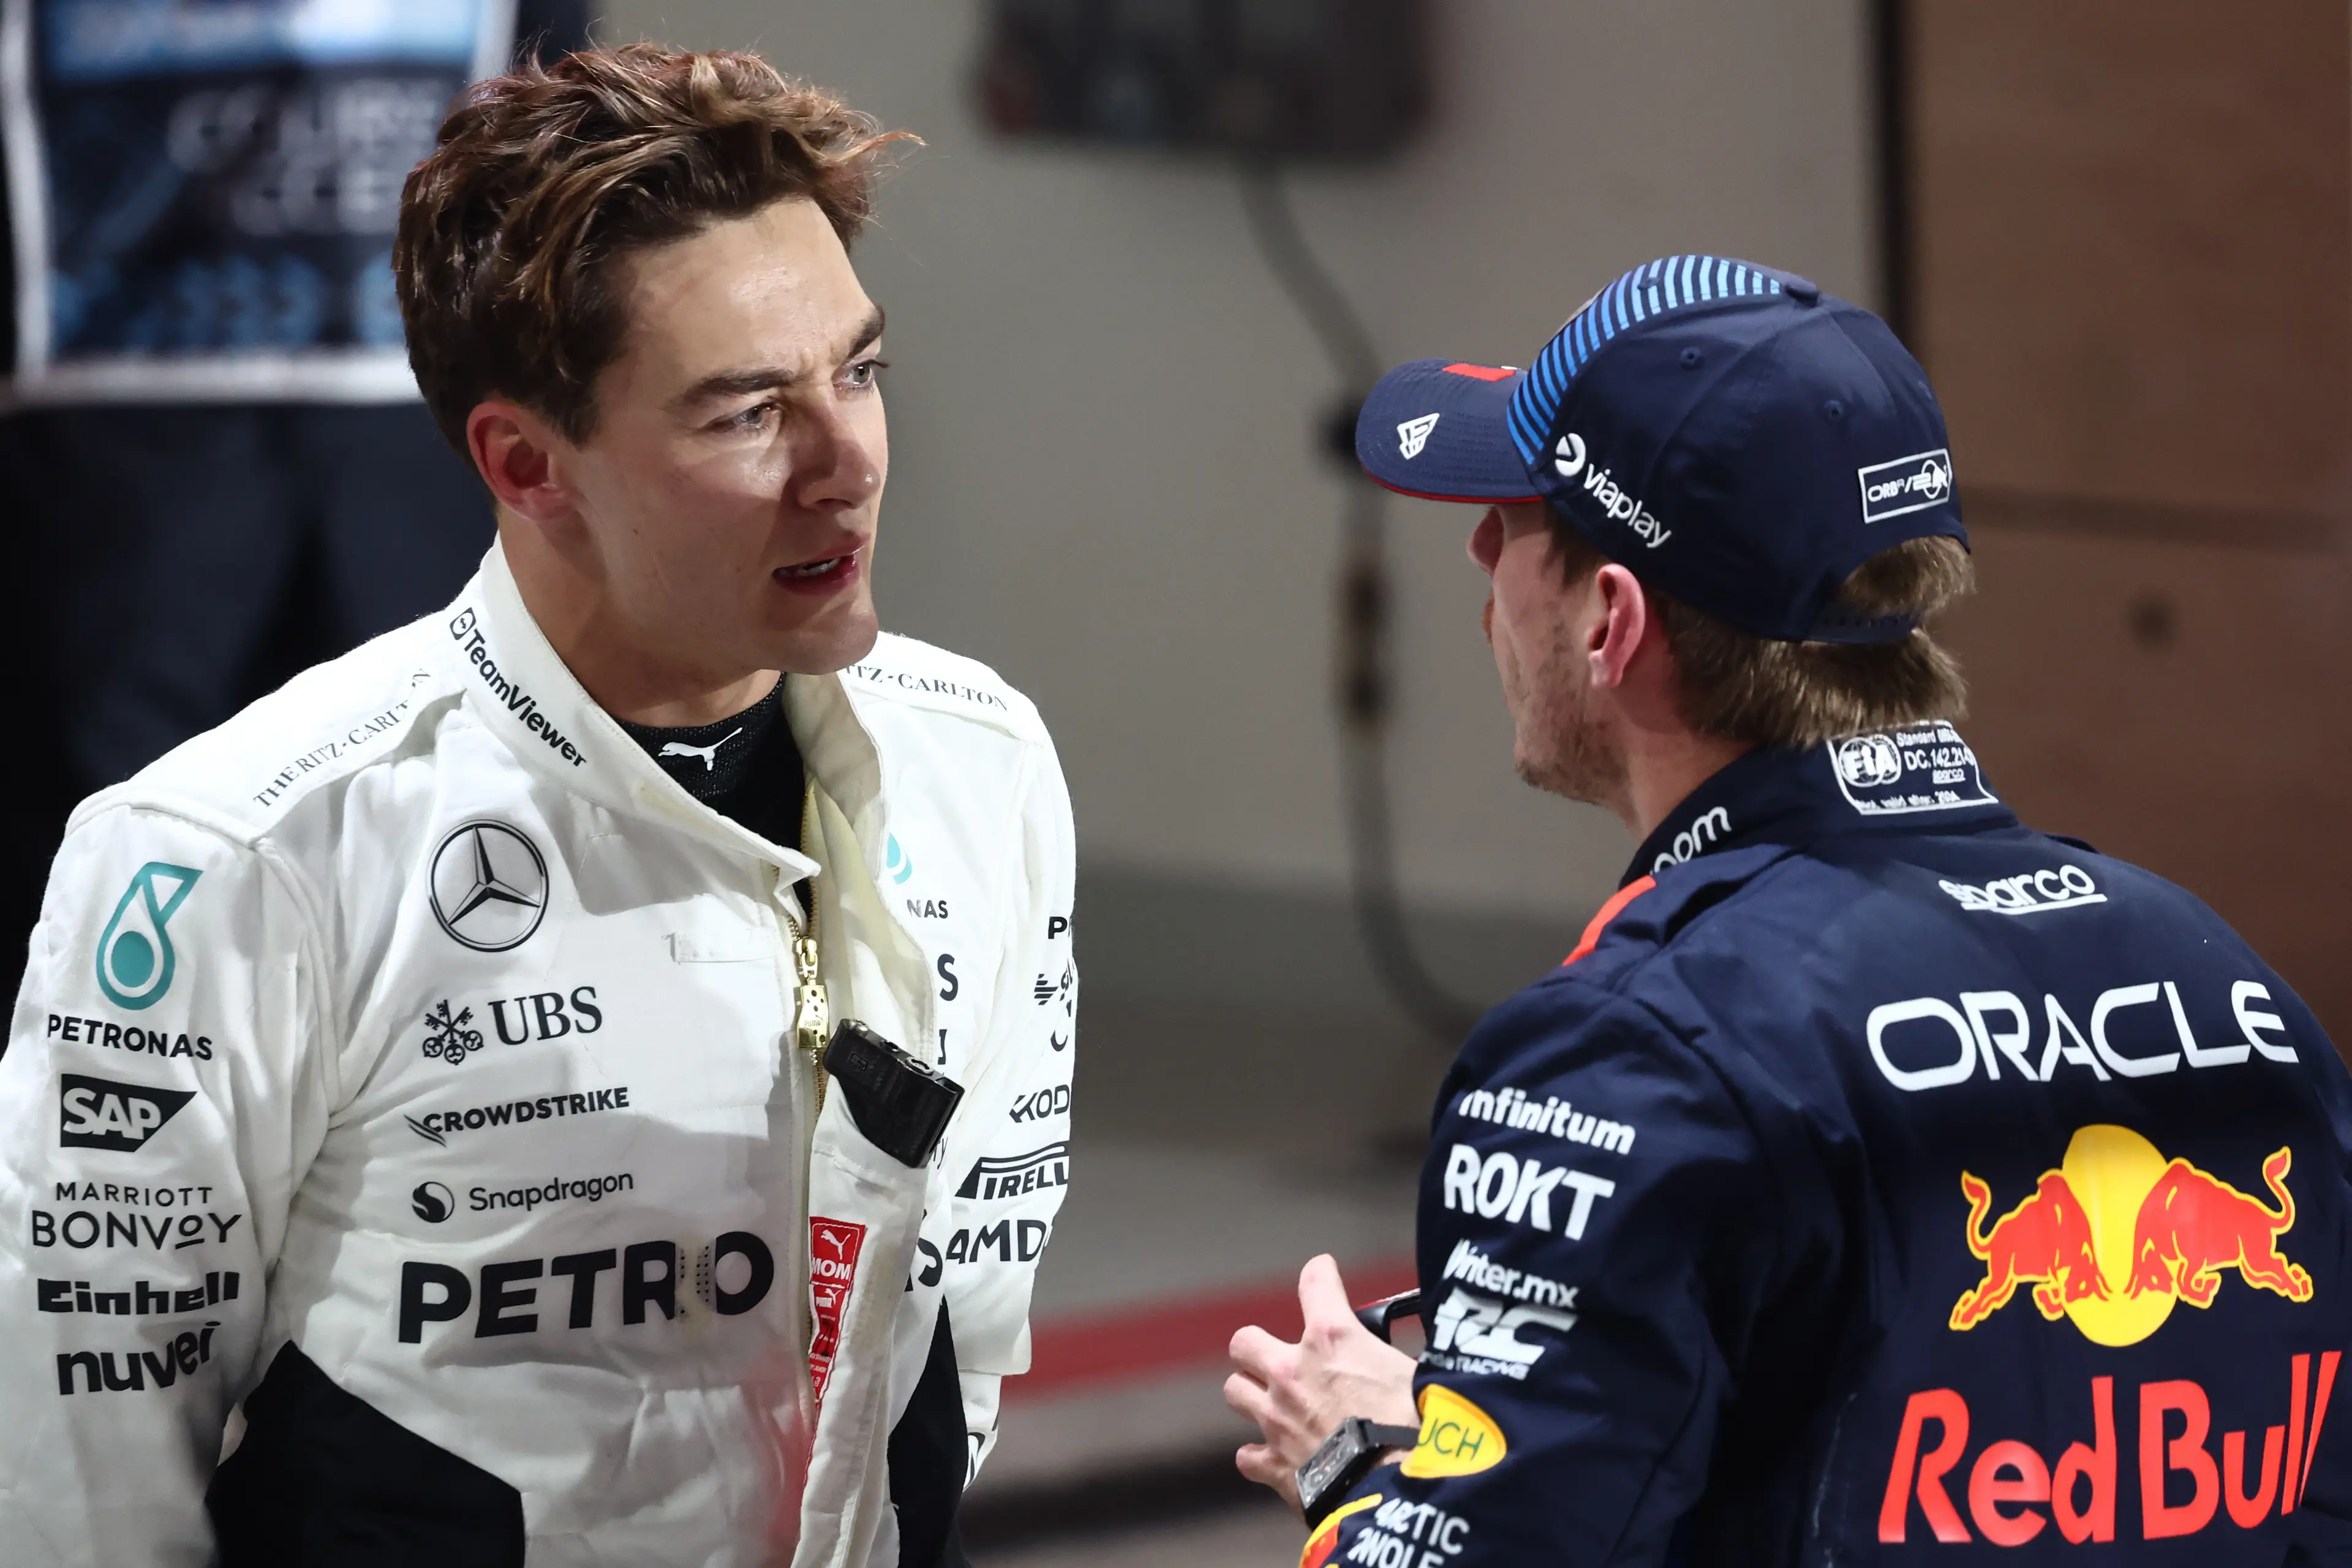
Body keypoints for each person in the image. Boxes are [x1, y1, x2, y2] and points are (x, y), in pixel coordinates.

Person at [0, 43, 1077, 1567]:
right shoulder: (233, 853)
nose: (850, 463)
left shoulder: (989, 764)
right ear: (525, 461)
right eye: (748, 411)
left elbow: (965, 1332)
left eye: (861, 368)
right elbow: (76, 1492)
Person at [1225, 255, 2352, 1564]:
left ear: (1612, 622)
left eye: (1520, 517)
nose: (1481, 549)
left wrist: (1366, 1466)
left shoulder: (1626, 1056)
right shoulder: (2232, 987)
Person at [0, 0, 590, 957]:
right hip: (107, 459)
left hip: (416, 448)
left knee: (445, 840)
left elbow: (556, 130)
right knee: (100, 882)